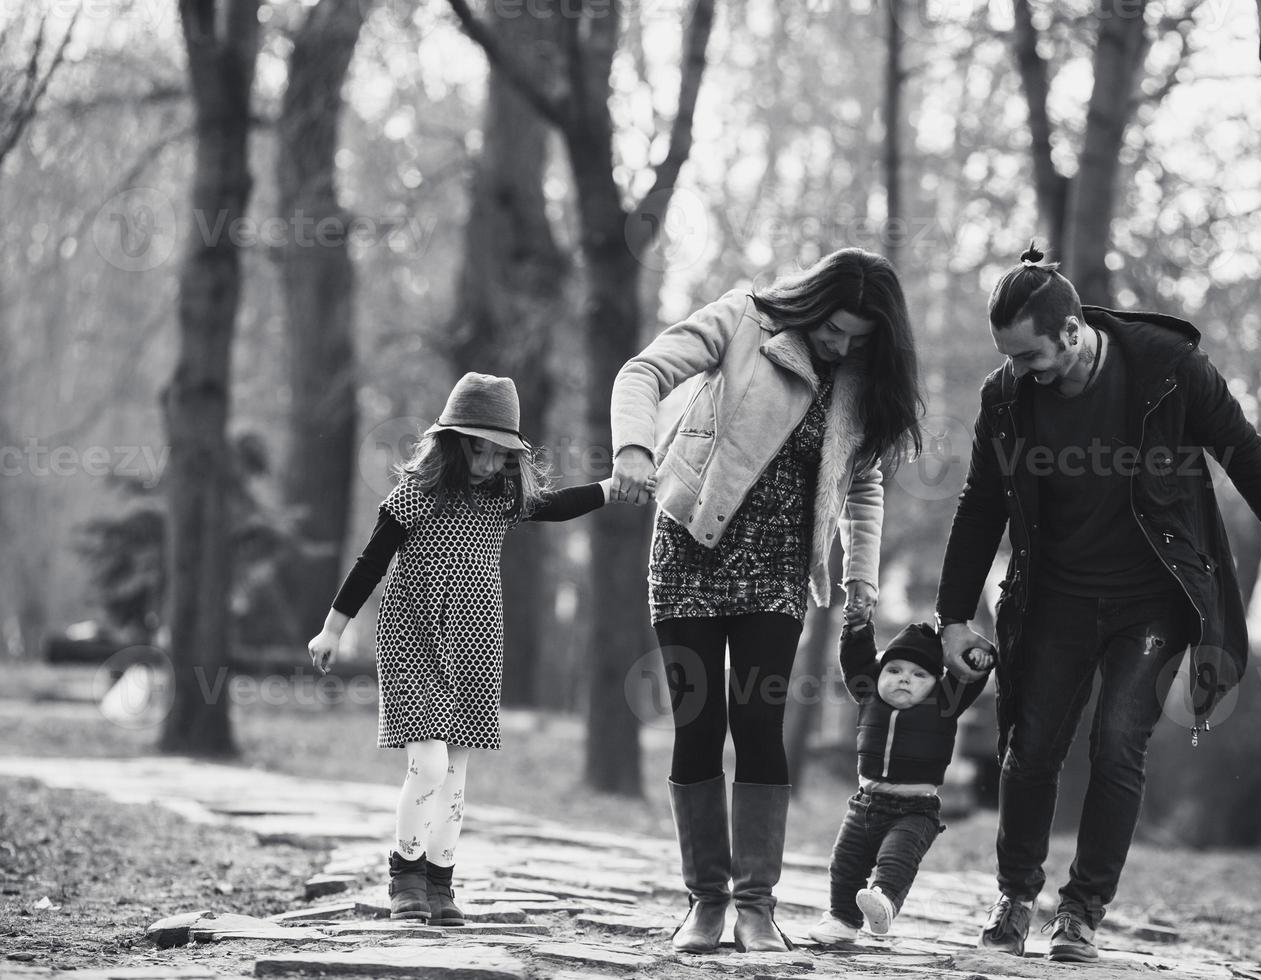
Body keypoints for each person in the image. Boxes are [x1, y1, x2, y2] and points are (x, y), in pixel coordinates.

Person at [935, 246, 1261, 963]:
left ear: (1074, 330)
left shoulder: (1168, 371)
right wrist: (953, 614)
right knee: (1030, 751)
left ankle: (1081, 913)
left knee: (1117, 742)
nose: (1022, 373)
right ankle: (1016, 896)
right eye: (1010, 359)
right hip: (1055, 596)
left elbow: (1240, 448)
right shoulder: (1007, 397)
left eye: (1031, 355)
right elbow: (981, 502)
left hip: (1151, 599)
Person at [608, 248, 925, 953]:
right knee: (698, 722)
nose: (841, 345)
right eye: (835, 329)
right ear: (813, 304)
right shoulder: (743, 319)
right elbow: (643, 372)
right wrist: (633, 447)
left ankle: (755, 905)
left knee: (758, 723)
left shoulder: (859, 379)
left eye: (859, 338)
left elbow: (863, 482)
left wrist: (861, 580)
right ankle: (706, 903)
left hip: (778, 570)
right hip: (689, 545)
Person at [307, 373, 640, 926]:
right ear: (452, 443)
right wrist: (333, 629)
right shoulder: (414, 496)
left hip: (476, 642)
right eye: (477, 450)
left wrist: (610, 487)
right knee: (430, 764)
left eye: (498, 454)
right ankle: (405, 875)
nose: (487, 463)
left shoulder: (504, 497)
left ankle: (441, 884)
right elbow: (371, 563)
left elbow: (556, 506)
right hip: (412, 639)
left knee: (456, 774)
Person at [807, 621, 993, 944]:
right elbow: (855, 659)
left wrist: (977, 657)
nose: (905, 678)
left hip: (915, 810)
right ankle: (841, 919)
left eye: (919, 675)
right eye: (894, 670)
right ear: (878, 674)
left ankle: (884, 901)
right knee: (844, 863)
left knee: (896, 859)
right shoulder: (868, 694)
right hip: (865, 804)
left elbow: (968, 678)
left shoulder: (943, 703)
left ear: (936, 683)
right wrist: (857, 628)